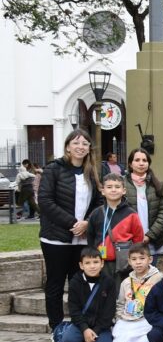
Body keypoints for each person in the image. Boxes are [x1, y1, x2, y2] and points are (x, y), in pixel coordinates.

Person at [38, 129, 103, 331]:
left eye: (85, 143)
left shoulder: (93, 170)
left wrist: (87, 223)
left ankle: (80, 327)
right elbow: (45, 201)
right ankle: (56, 328)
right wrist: (73, 223)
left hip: (83, 238)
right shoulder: (53, 169)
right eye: (76, 143)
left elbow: (99, 201)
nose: (80, 147)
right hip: (56, 238)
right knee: (56, 285)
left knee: (79, 284)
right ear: (68, 146)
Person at [57, 246, 116, 342]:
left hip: (101, 326)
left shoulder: (108, 282)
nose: (92, 266)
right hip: (81, 325)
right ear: (81, 265)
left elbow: (109, 311)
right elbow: (74, 310)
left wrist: (96, 330)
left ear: (102, 263)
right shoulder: (75, 282)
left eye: (96, 262)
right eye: (87, 263)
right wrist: (85, 329)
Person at [111, 243, 162, 342]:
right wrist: (119, 320)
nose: (138, 262)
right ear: (129, 261)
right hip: (127, 323)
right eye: (134, 259)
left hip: (147, 322)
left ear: (150, 259)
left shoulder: (158, 278)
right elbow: (120, 304)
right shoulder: (126, 282)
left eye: (142, 258)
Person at [86, 173, 145, 266]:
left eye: (117, 187)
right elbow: (90, 236)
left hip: (125, 263)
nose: (113, 190)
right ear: (103, 191)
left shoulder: (131, 214)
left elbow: (138, 239)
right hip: (101, 262)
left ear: (124, 190)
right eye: (109, 187)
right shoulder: (96, 213)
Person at [123, 148, 163, 256]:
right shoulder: (121, 184)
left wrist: (150, 235)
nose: (141, 163)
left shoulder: (157, 184)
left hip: (153, 241)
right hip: (129, 241)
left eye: (144, 160)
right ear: (130, 163)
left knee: (152, 272)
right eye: (137, 160)